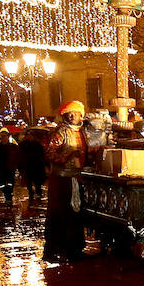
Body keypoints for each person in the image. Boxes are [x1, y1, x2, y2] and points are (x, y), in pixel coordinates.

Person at [43, 101, 88, 262]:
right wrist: (67, 156)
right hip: (61, 180)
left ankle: (75, 248)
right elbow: (49, 154)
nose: (71, 116)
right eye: (68, 113)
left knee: (75, 215)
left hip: (76, 178)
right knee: (61, 214)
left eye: (74, 113)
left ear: (80, 115)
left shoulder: (82, 132)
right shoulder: (60, 132)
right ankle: (59, 249)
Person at [17, 129, 47, 203]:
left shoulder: (37, 144)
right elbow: (19, 155)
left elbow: (42, 154)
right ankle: (31, 192)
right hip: (27, 165)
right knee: (28, 180)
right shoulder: (22, 144)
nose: (29, 137)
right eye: (28, 135)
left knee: (37, 181)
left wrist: (45, 164)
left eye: (31, 135)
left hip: (37, 165)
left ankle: (38, 191)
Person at [0, 128, 18, 205]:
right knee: (1, 183)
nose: (4, 138)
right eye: (2, 136)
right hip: (1, 168)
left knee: (10, 183)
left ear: (8, 136)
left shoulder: (13, 146)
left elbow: (18, 156)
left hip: (10, 168)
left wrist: (17, 165)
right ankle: (7, 194)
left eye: (5, 136)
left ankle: (9, 197)